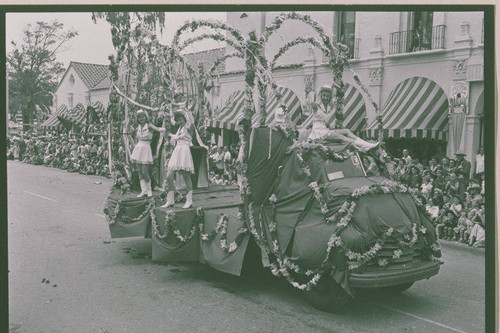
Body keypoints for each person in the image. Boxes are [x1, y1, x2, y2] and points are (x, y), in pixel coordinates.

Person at [306, 85, 379, 151]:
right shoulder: (316, 106)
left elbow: (323, 121)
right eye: (324, 95)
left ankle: (366, 144)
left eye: (327, 96)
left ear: (330, 98)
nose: (325, 98)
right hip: (319, 133)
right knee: (342, 137)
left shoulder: (328, 107)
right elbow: (310, 102)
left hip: (325, 130)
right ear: (321, 96)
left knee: (346, 131)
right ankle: (364, 146)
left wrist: (329, 126)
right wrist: (310, 96)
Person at [161, 110, 195, 209]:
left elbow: (191, 122)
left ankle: (189, 201)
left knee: (186, 176)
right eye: (177, 120)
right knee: (169, 176)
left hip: (184, 150)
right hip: (177, 150)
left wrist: (184, 111)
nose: (179, 122)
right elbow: (175, 137)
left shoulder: (189, 127)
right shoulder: (179, 128)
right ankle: (170, 200)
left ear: (185, 119)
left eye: (181, 120)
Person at [130, 109, 165, 197]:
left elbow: (159, 129)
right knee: (139, 171)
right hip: (138, 148)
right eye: (139, 117)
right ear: (137, 119)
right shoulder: (137, 127)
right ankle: (143, 190)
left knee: (145, 171)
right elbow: (133, 136)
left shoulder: (149, 126)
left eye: (143, 116)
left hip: (146, 148)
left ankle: (149, 190)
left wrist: (166, 127)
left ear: (146, 117)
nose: (141, 118)